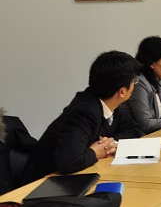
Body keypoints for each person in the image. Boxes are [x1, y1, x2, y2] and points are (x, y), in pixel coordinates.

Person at [21, 51, 144, 184]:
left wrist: (110, 143)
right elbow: (68, 161)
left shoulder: (110, 103)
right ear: (122, 91)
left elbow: (136, 130)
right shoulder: (84, 112)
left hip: (69, 180)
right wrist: (95, 152)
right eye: (134, 81)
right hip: (39, 186)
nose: (135, 85)